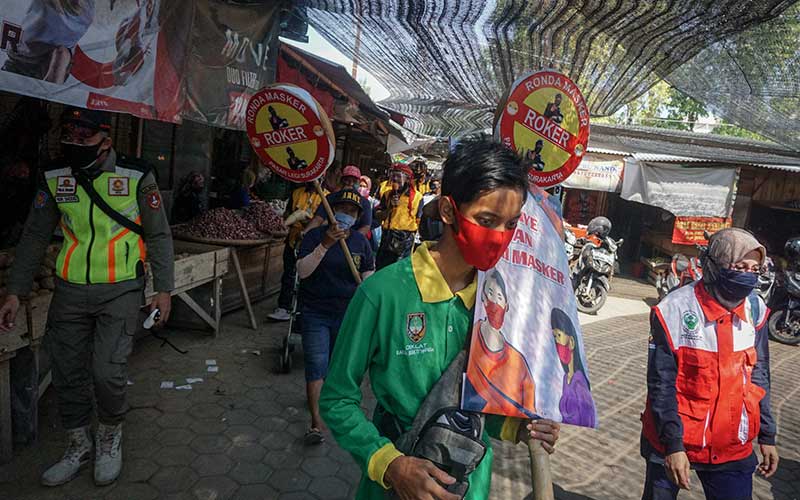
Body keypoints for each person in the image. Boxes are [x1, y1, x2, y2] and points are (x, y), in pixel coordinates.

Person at [320, 139, 561, 500]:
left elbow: (481, 399)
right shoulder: (382, 294)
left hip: (470, 485)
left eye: (511, 224)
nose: (500, 237)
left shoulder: (501, 303)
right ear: (448, 211)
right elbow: (336, 399)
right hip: (393, 486)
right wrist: (390, 464)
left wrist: (520, 427)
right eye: (486, 220)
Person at [0, 107, 174, 487]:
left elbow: (158, 235)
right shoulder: (54, 177)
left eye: (84, 137)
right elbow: (34, 235)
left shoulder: (136, 174)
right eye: (69, 136)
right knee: (67, 372)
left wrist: (164, 289)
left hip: (121, 289)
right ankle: (78, 443)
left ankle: (110, 434)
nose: (74, 143)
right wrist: (15, 291)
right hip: (69, 289)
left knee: (107, 372)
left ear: (106, 141)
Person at [640, 228, 779, 500]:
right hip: (674, 441)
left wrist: (767, 435)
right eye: (739, 266)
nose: (747, 274)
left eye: (754, 269)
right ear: (715, 266)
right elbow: (661, 384)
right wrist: (673, 447)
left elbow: (759, 374)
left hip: (731, 446)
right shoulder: (674, 309)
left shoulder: (756, 309)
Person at [296, 188, 374, 445]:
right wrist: (325, 245)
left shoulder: (361, 243)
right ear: (330, 211)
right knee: (316, 367)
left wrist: (366, 289)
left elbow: (368, 272)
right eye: (341, 210)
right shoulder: (314, 236)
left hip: (348, 315)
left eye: (352, 212)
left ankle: (336, 411)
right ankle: (316, 424)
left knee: (337, 368)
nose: (345, 215)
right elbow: (303, 272)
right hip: (315, 312)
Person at [463, 269, 536, 418]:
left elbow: (529, 412)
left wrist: (535, 430)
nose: (495, 302)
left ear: (506, 306)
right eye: (490, 293)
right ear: (482, 297)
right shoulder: (467, 338)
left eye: (499, 297)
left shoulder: (518, 363)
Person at [268, 182, 327, 322]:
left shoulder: (327, 197)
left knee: (307, 277)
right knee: (288, 273)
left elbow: (325, 222)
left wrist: (309, 223)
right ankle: (283, 307)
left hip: (312, 243)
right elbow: (288, 212)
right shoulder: (297, 192)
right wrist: (289, 220)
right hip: (293, 240)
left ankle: (301, 309)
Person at [551, 308, 595, 427]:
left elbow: (587, 418)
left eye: (559, 335)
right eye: (554, 336)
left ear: (571, 342)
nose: (556, 341)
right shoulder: (566, 378)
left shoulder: (579, 384)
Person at [374, 164, 423, 270]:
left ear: (407, 179)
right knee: (381, 268)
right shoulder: (387, 194)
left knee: (398, 270)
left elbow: (419, 221)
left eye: (398, 176)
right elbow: (378, 216)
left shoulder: (418, 197)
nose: (395, 179)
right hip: (387, 236)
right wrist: (389, 208)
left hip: (405, 238)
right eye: (393, 176)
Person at [304, 165, 372, 238]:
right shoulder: (331, 198)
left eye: (354, 181)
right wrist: (305, 232)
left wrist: (351, 240)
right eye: (347, 180)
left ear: (358, 183)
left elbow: (365, 227)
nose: (350, 183)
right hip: (327, 238)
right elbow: (318, 219)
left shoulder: (364, 203)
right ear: (341, 180)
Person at [359, 175, 382, 252]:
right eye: (360, 185)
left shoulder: (373, 202)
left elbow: (378, 219)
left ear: (368, 188)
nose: (362, 188)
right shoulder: (354, 198)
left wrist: (368, 225)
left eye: (364, 186)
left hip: (369, 235)